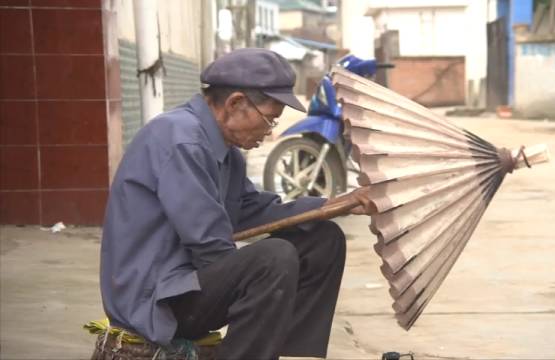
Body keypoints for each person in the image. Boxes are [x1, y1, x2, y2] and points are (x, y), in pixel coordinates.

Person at [100, 48, 375, 359]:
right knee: (273, 259)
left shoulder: (224, 150)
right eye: (269, 120)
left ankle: (290, 353)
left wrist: (332, 205)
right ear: (235, 104)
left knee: (322, 240)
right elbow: (210, 245)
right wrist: (255, 274)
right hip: (155, 301)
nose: (269, 132)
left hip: (185, 288)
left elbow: (248, 211)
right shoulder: (181, 139)